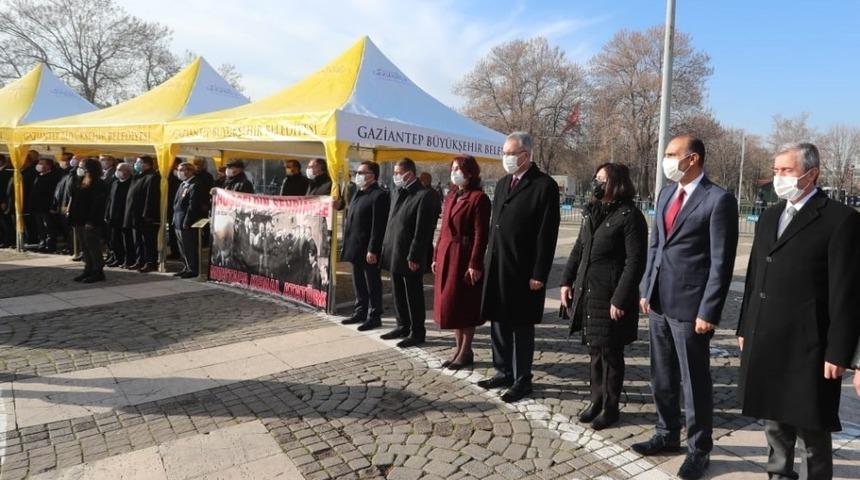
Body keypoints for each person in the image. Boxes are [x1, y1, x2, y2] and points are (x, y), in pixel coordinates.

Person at [736, 143, 860, 479]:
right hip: (769, 338)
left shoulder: (841, 220)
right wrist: (745, 328)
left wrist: (841, 352)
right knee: (774, 423)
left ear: (811, 173)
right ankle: (778, 474)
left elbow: (847, 293)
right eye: (776, 170)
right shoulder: (771, 216)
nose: (779, 177)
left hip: (811, 346)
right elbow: (753, 277)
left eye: (786, 171)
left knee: (811, 431)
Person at [635, 135, 738, 480]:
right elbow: (655, 247)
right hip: (660, 303)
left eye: (670, 155)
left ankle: (699, 449)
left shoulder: (718, 200)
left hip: (691, 308)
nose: (666, 160)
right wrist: (646, 288)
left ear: (692, 158)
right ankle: (667, 433)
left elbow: (721, 263)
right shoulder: (666, 194)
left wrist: (708, 311)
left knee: (694, 382)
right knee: (661, 376)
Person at [560, 163, 647, 430]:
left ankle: (611, 407)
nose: (596, 183)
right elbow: (579, 248)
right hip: (589, 291)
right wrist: (566, 280)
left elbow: (635, 262)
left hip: (611, 295)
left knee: (611, 353)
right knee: (595, 350)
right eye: (595, 178)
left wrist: (620, 298)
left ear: (616, 184)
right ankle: (595, 400)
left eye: (602, 179)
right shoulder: (591, 211)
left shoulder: (630, 216)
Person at [477, 131, 560, 403]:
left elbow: (546, 234)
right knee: (498, 320)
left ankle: (522, 378)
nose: (506, 158)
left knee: (521, 325)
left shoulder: (543, 186)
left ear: (526, 155)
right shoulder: (502, 184)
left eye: (511, 154)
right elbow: (494, 227)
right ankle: (502, 370)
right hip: (499, 264)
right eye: (504, 153)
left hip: (524, 269)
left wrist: (539, 273)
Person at [432, 155, 490, 370]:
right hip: (447, 253)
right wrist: (436, 256)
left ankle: (466, 350)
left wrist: (475, 263)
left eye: (459, 168)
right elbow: (443, 230)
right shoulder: (450, 196)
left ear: (470, 173)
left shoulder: (478, 198)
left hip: (464, 256)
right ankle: (458, 349)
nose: (455, 172)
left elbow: (480, 234)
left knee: (465, 304)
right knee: (452, 305)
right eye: (453, 168)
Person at [379, 158, 441, 348]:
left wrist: (415, 255)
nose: (396, 176)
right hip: (394, 251)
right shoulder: (398, 192)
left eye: (398, 173)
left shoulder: (424, 195)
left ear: (409, 173)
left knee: (413, 294)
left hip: (409, 254)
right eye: (395, 173)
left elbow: (423, 230)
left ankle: (417, 331)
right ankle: (402, 325)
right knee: (397, 291)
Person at [340, 161, 390, 331]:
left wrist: (373, 249)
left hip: (368, 248)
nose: (358, 175)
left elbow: (378, 226)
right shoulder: (358, 192)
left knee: (372, 283)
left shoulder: (379, 195)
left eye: (362, 172)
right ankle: (360, 311)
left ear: (372, 175)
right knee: (358, 281)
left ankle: (374, 315)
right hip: (355, 246)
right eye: (358, 172)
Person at [68, 158, 108, 283]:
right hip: (79, 219)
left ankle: (98, 271)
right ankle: (88, 269)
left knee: (93, 246)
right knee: (84, 246)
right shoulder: (81, 181)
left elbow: (97, 204)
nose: (80, 169)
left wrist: (91, 220)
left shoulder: (99, 183)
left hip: (91, 221)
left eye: (83, 167)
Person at [124, 156, 161, 272]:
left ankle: (150, 262)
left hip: (145, 216)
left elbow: (151, 197)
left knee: (148, 241)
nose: (136, 164)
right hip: (135, 214)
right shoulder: (137, 176)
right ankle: (139, 261)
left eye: (139, 162)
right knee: (138, 240)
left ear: (147, 164)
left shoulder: (152, 177)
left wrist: (147, 214)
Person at [172, 162, 206, 278]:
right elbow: (176, 204)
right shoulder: (182, 184)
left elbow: (193, 206)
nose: (180, 172)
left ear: (189, 171)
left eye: (182, 170)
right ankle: (186, 266)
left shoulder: (195, 184)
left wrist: (187, 221)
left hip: (187, 222)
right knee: (182, 247)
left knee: (189, 247)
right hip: (178, 220)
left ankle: (193, 269)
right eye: (179, 170)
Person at [29, 157, 61, 252]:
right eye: (39, 163)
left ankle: (50, 245)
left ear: (48, 165)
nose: (39, 165)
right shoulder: (38, 176)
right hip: (37, 206)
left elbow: (53, 193)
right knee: (40, 226)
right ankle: (42, 243)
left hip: (46, 207)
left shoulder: (53, 177)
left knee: (48, 226)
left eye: (42, 163)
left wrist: (53, 206)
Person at [104, 163, 134, 268]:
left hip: (124, 216)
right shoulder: (115, 183)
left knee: (126, 241)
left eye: (120, 169)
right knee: (114, 239)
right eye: (117, 169)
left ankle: (128, 260)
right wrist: (107, 213)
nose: (118, 171)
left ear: (128, 171)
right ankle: (117, 258)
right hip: (113, 216)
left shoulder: (131, 183)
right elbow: (110, 200)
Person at [51, 153, 75, 254]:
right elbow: (58, 190)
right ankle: (68, 246)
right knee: (64, 227)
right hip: (61, 204)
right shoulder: (63, 173)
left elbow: (70, 192)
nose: (62, 163)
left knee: (69, 228)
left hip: (67, 204)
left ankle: (71, 247)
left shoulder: (71, 174)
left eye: (64, 160)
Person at [0, 155, 14, 248]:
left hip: (2, 201)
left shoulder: (6, 172)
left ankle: (7, 240)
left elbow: (4, 188)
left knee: (5, 222)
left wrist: (3, 201)